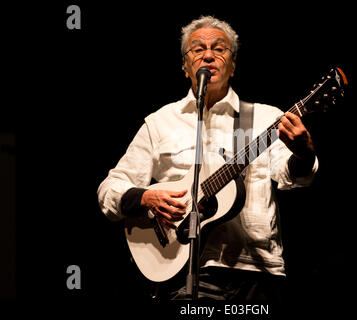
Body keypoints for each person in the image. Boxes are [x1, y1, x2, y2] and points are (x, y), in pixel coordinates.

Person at [97, 15, 318, 301]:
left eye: (220, 48)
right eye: (198, 49)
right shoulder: (160, 122)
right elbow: (110, 189)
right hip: (187, 271)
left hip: (259, 272)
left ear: (233, 64)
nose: (209, 55)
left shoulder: (264, 118)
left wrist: (303, 152)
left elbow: (294, 177)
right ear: (185, 66)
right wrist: (144, 198)